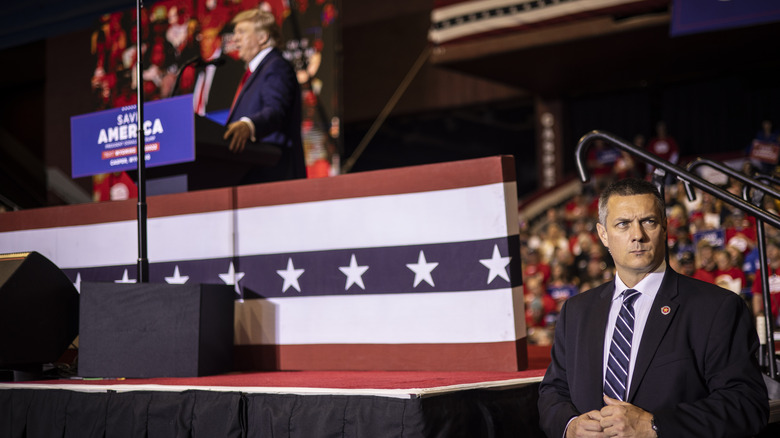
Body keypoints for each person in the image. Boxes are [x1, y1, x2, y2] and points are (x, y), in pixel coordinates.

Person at [538, 178, 768, 438]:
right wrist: (570, 425)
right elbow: (553, 392)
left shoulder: (717, 307)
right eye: (623, 224)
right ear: (603, 234)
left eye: (648, 221)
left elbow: (746, 405)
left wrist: (655, 426)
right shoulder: (576, 311)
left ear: (665, 227)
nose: (637, 235)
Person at [223, 8, 306, 183]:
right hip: (253, 172)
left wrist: (249, 125)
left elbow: (275, 111)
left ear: (262, 37)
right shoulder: (257, 71)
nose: (235, 38)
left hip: (274, 174)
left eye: (242, 32)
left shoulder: (276, 66)